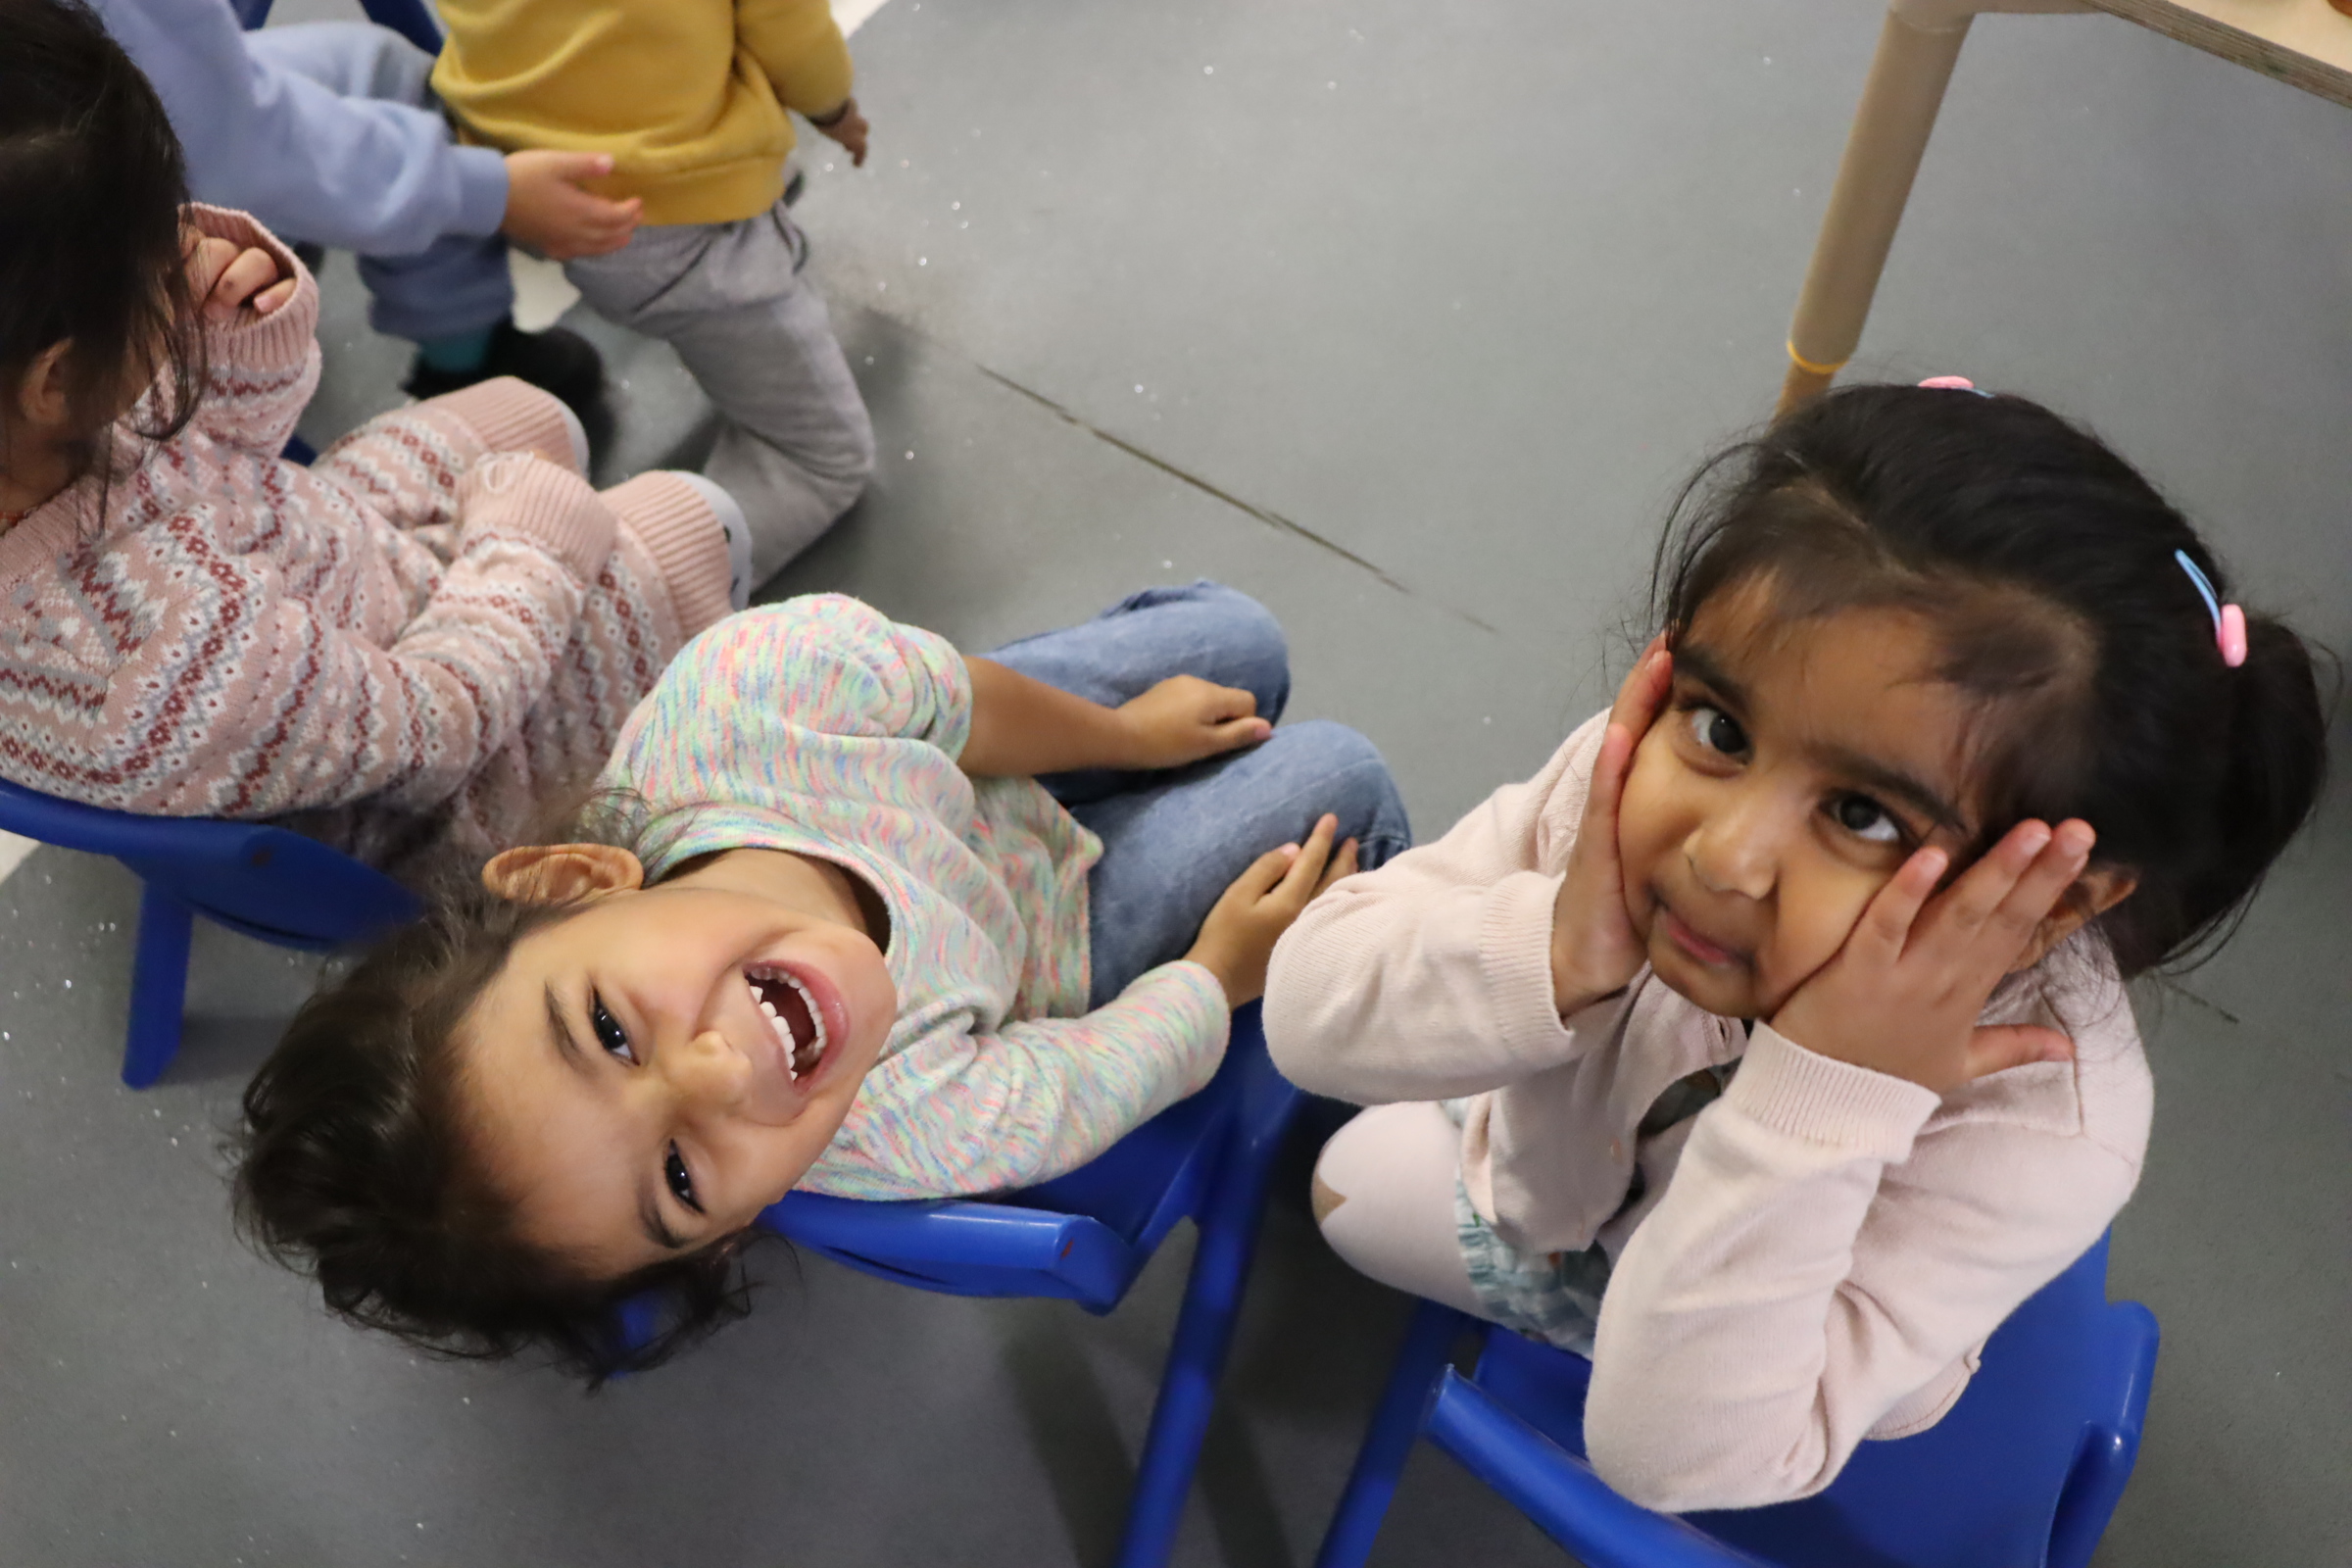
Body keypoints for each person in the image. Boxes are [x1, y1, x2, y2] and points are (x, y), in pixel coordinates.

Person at [1265, 381, 2328, 1513]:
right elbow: (1304, 1017)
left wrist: (1818, 1099)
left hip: (1777, 1340)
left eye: (1865, 816)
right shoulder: (1629, 783)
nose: (1725, 858)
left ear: (2056, 899)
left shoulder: (2048, 1122)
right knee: (1345, 1185)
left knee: (1359, 1200)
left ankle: (1610, 1311)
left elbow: (1673, 1463)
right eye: (1724, 726)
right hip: (1562, 1181)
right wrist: (1556, 948)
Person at [233, 584, 1410, 1379]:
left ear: (575, 879)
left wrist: (1130, 738)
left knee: (1238, 640)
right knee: (1336, 774)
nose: (722, 1070)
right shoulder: (900, 1125)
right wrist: (1218, 972)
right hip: (1055, 940)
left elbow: (962, 705)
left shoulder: (752, 691)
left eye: (608, 1027)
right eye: (684, 1177)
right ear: (726, 1235)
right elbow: (1095, 1074)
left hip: (953, 775)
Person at [0, 0, 748, 878]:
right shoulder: (163, 653)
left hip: (305, 581)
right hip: (424, 784)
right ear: (57, 378)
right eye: (153, 268)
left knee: (525, 414)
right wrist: (527, 544)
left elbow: (217, 467)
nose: (184, 245)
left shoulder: (37, 431)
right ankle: (701, 738)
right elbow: (438, 731)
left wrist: (235, 325)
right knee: (692, 516)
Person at [428, 0, 878, 587]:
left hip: (525, 170)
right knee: (822, 462)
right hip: (673, 224)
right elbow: (793, 37)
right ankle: (615, 610)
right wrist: (834, 109)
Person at [89, 0, 635, 416]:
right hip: (107, 225)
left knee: (354, 67)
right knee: (382, 82)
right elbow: (239, 146)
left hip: (86, 163)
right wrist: (491, 192)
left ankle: (284, 252)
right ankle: (468, 368)